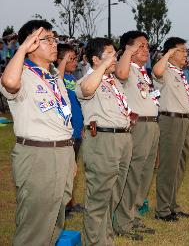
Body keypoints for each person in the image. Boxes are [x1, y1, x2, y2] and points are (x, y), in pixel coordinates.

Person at [0, 20, 75, 245]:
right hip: (38, 155)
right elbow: (9, 82)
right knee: (34, 224)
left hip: (62, 151)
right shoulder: (21, 72)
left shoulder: (53, 77)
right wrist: (21, 49)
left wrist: (69, 156)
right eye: (47, 39)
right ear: (31, 44)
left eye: (55, 39)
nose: (55, 44)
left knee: (55, 218)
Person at [76, 37, 136, 244]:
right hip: (102, 140)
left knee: (113, 195)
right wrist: (101, 68)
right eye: (109, 55)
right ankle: (93, 241)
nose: (114, 59)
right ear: (95, 59)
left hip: (122, 139)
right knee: (98, 198)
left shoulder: (113, 82)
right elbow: (87, 90)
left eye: (115, 54)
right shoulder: (87, 81)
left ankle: (105, 239)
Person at [113, 31, 159, 238]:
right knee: (133, 174)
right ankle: (122, 221)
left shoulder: (142, 71)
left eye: (147, 46)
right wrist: (128, 52)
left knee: (144, 173)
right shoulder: (124, 68)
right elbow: (120, 75)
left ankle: (131, 214)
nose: (146, 50)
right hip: (138, 126)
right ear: (128, 49)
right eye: (140, 46)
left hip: (151, 125)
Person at [152, 37, 189, 222]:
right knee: (168, 166)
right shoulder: (164, 69)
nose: (186, 54)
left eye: (186, 50)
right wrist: (168, 53)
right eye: (182, 50)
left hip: (185, 121)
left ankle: (172, 204)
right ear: (171, 52)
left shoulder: (179, 72)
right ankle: (162, 210)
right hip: (171, 121)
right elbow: (157, 71)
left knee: (180, 165)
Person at [56, 43, 85, 218]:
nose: (74, 61)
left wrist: (81, 127)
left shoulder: (72, 78)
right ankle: (62, 207)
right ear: (59, 60)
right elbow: (56, 83)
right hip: (65, 132)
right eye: (70, 58)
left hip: (76, 131)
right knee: (63, 171)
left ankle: (70, 203)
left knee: (72, 170)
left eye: (75, 58)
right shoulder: (56, 76)